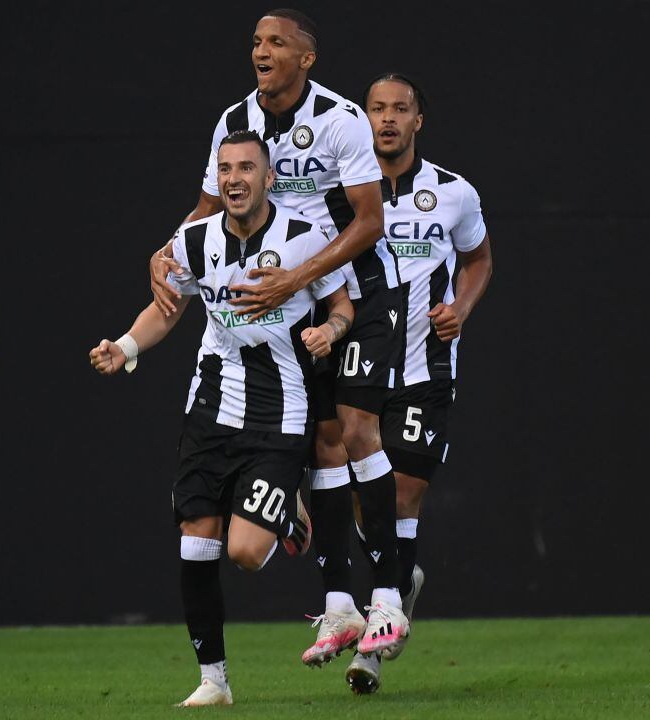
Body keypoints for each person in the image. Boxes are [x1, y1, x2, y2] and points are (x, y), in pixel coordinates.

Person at [148, 8, 410, 671]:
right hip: (292, 296)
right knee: (322, 437)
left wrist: (297, 276)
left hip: (358, 288)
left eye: (276, 42)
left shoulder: (340, 118)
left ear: (305, 58)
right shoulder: (235, 121)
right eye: (256, 42)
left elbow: (371, 221)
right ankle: (340, 603)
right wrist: (167, 247)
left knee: (354, 428)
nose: (261, 50)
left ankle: (387, 594)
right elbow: (207, 212)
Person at [92, 131, 353, 707]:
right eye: (226, 169)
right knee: (196, 543)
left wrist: (327, 332)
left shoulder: (306, 238)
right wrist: (128, 347)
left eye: (247, 168)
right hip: (210, 407)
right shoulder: (194, 240)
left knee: (243, 552)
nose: (235, 179)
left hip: (280, 414)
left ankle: (287, 508)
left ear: (268, 178)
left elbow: (343, 307)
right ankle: (214, 679)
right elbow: (166, 310)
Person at [335, 73, 493, 694]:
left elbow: (479, 258)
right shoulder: (341, 195)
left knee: (401, 495)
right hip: (362, 365)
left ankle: (374, 644)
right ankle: (400, 581)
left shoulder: (453, 193)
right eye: (376, 109)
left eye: (400, 108)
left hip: (427, 369)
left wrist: (462, 307)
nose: (387, 119)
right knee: (364, 501)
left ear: (418, 120)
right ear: (363, 117)